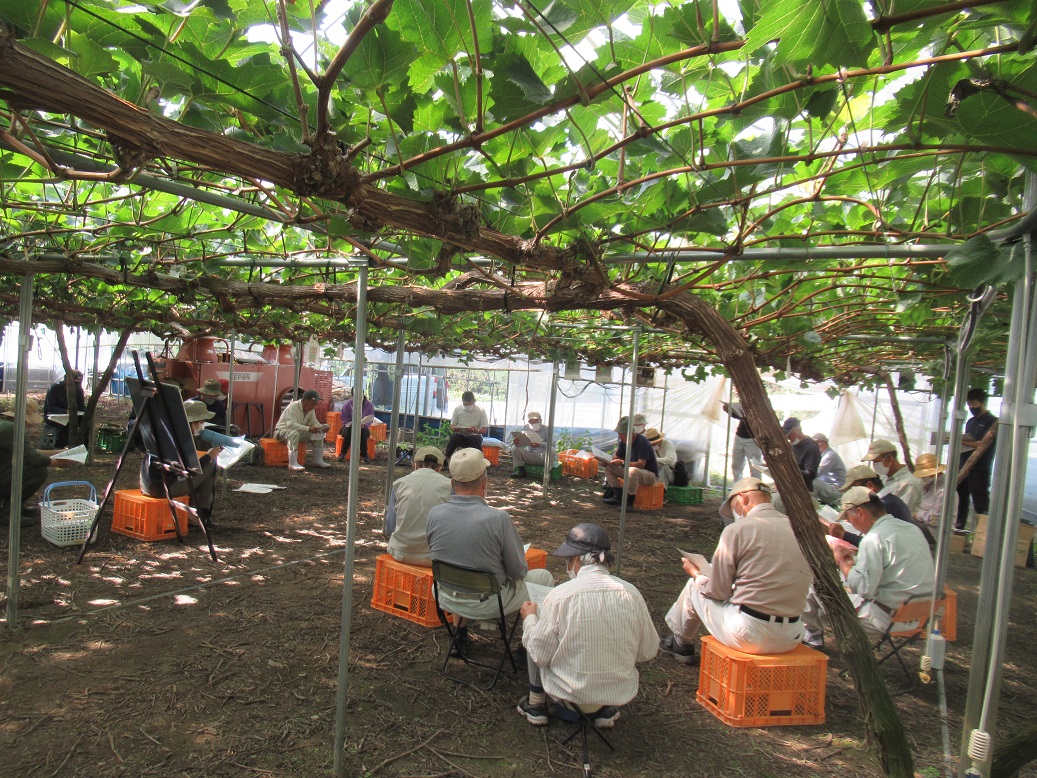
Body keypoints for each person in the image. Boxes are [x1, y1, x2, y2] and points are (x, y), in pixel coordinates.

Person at [516, 523, 658, 727]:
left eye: (568, 559)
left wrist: (530, 619)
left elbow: (539, 654)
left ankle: (536, 703)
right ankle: (604, 709)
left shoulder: (560, 596)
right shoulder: (631, 593)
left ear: (575, 559)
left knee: (535, 632)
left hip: (569, 692)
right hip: (618, 692)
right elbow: (648, 651)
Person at [658, 478, 811, 664]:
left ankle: (681, 644)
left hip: (751, 633)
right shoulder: (801, 530)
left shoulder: (737, 530)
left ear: (743, 498)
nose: (736, 513)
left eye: (734, 507)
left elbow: (717, 591)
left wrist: (696, 574)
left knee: (694, 586)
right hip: (793, 634)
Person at [425, 448, 554, 656]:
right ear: (485, 483)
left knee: (460, 563)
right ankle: (529, 648)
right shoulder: (498, 519)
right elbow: (518, 572)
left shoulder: (434, 514)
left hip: (444, 596)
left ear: (452, 483)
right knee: (543, 577)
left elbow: (441, 553)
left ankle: (459, 634)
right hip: (487, 602)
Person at [802, 487, 935, 647]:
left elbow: (864, 589)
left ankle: (812, 633)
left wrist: (842, 561)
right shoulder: (912, 529)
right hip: (919, 615)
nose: (848, 522)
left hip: (885, 618)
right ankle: (813, 632)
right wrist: (853, 563)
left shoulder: (873, 538)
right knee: (830, 586)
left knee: (816, 584)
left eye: (847, 516)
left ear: (860, 512)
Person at [139, 400, 221, 531]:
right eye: (201, 422)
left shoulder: (167, 432)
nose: (202, 425)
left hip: (150, 484)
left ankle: (196, 513)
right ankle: (201, 513)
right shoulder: (180, 439)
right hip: (162, 488)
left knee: (207, 464)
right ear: (192, 422)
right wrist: (208, 456)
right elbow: (189, 471)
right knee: (211, 466)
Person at [1, 398, 73, 527]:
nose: (31, 425)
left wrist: (59, 452)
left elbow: (28, 451)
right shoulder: (12, 429)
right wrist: (59, 462)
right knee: (39, 471)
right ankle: (9, 512)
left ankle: (16, 506)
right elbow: (33, 459)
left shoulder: (6, 425)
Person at [384, 446, 451, 566]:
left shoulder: (399, 484)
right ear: (439, 468)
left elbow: (390, 525)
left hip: (399, 552)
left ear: (414, 464)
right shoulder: (449, 486)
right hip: (435, 556)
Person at [956, 388, 997, 531]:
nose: (971, 407)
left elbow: (983, 444)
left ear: (983, 403)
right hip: (964, 465)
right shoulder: (971, 421)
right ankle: (959, 526)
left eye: (973, 403)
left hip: (980, 468)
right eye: (968, 404)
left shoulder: (992, 422)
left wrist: (961, 441)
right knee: (961, 497)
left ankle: (983, 532)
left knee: (980, 499)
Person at [603, 416, 659, 508]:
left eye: (622, 434)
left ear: (630, 433)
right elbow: (616, 457)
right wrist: (606, 461)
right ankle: (618, 496)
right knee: (608, 468)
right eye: (619, 434)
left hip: (650, 475)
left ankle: (629, 502)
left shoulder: (642, 441)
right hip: (631, 471)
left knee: (632, 471)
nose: (620, 436)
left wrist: (622, 463)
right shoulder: (623, 442)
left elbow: (641, 464)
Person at [273, 389, 331, 471]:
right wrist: (308, 429)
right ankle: (292, 463)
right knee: (294, 433)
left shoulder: (311, 409)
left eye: (315, 403)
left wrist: (322, 428)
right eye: (312, 403)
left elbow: (314, 422)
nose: (314, 406)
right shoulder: (293, 407)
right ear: (304, 401)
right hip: (281, 432)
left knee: (318, 434)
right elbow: (291, 424)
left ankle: (318, 460)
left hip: (298, 432)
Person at [861, 439, 923, 515]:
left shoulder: (909, 483)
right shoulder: (883, 477)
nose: (874, 465)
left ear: (889, 459)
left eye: (876, 461)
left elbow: (897, 512)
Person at [42, 369, 86, 448]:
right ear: (66, 381)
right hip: (54, 416)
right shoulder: (54, 389)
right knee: (65, 423)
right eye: (74, 383)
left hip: (72, 416)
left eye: (78, 384)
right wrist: (66, 411)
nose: (76, 386)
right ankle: (60, 446)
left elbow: (81, 406)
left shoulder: (79, 390)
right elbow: (50, 408)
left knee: (85, 421)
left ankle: (83, 446)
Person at [723, 401, 762, 480]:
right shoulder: (745, 405)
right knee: (736, 464)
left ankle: (756, 484)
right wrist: (728, 410)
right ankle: (737, 483)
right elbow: (739, 416)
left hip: (753, 439)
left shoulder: (760, 406)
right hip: (740, 436)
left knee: (755, 466)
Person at [444, 391, 488, 460]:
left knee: (474, 439)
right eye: (465, 404)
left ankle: (479, 459)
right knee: (455, 437)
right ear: (462, 401)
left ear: (474, 401)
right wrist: (455, 429)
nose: (467, 407)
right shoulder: (458, 409)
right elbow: (452, 425)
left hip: (475, 436)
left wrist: (476, 430)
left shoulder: (481, 411)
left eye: (469, 404)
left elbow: (484, 429)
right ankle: (446, 458)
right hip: (460, 435)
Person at [914, 453, 954, 526]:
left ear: (933, 474)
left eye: (923, 476)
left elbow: (935, 519)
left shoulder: (944, 491)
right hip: (921, 523)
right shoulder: (928, 483)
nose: (921, 478)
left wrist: (915, 514)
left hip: (935, 529)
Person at [782, 418, 821, 490]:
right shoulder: (792, 446)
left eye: (790, 435)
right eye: (787, 436)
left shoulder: (811, 447)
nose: (789, 438)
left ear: (799, 430)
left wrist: (790, 471)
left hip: (804, 489)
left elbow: (811, 474)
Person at [338, 393, 376, 463]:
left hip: (363, 427)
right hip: (348, 427)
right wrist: (350, 424)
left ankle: (364, 455)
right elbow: (344, 418)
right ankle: (343, 453)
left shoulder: (369, 405)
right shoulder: (348, 404)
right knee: (349, 431)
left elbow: (370, 418)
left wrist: (364, 424)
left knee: (362, 431)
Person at [510, 410, 548, 478]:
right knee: (514, 448)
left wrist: (540, 444)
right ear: (529, 421)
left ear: (540, 420)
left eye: (535, 420)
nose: (533, 422)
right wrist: (517, 442)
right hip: (530, 454)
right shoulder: (526, 428)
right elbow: (522, 442)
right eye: (531, 421)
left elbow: (552, 444)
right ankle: (521, 470)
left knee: (552, 450)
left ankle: (547, 472)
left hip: (542, 456)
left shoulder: (546, 429)